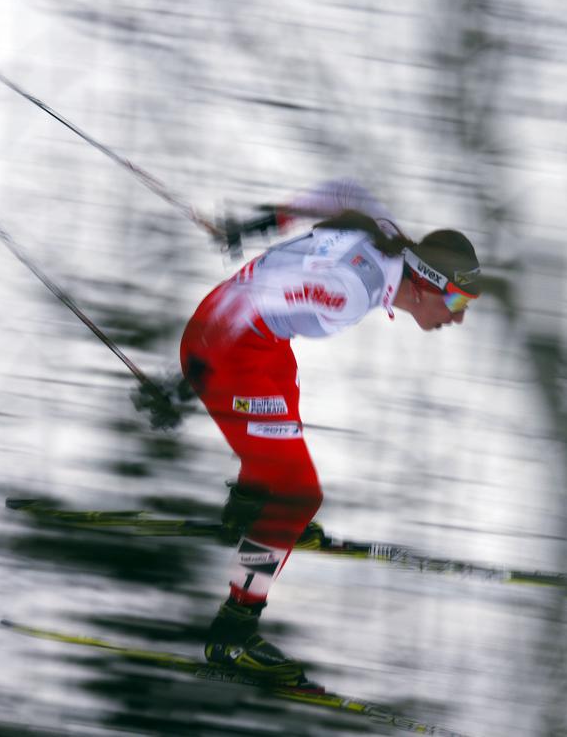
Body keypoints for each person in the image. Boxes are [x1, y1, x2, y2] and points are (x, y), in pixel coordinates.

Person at [177, 179, 481, 688]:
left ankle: (254, 509)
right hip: (225, 349)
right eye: (457, 301)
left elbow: (348, 192)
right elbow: (259, 293)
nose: (460, 316)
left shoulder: (389, 239)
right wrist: (187, 378)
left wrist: (264, 220)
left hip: (257, 346)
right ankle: (233, 632)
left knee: (284, 413)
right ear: (427, 285)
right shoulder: (351, 291)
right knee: (299, 497)